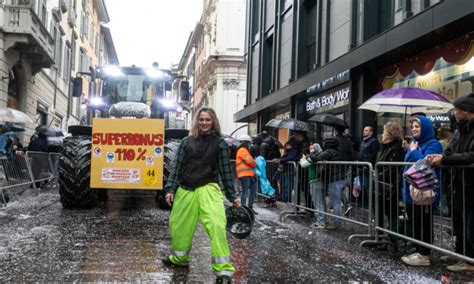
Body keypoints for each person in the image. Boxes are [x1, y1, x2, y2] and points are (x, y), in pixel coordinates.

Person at [162, 107, 240, 282]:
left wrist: (232, 195)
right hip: (185, 190)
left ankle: (223, 270)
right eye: (202, 119)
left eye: (208, 120)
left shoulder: (219, 143)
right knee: (179, 227)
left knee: (217, 225)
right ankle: (180, 258)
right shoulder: (185, 142)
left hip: (208, 189)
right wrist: (170, 189)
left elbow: (226, 171)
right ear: (197, 121)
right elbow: (176, 167)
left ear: (213, 122)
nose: (204, 123)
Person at [426, 92, 474, 272]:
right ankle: (464, 257)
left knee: (471, 229)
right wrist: (441, 156)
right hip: (459, 186)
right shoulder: (460, 129)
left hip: (470, 185)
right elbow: (450, 152)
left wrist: (445, 160)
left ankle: (469, 261)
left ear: (467, 111)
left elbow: (470, 155)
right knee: (461, 226)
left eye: (456, 109)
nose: (453, 113)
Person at [401, 115, 442, 267]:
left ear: (425, 128)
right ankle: (418, 250)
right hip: (412, 191)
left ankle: (424, 254)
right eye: (412, 127)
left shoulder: (434, 144)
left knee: (423, 223)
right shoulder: (414, 143)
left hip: (425, 191)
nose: (414, 129)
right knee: (415, 221)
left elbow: (425, 163)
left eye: (417, 127)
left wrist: (412, 151)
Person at [375, 122, 405, 237]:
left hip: (390, 187)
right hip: (382, 185)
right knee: (380, 211)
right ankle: (380, 235)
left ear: (390, 134)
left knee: (391, 212)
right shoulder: (386, 147)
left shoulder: (397, 148)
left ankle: (391, 238)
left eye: (384, 132)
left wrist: (379, 175)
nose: (382, 134)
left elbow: (391, 169)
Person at [309, 137, 344, 229]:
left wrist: (312, 151)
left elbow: (315, 158)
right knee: (336, 201)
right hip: (338, 178)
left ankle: (337, 224)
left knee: (335, 202)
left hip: (334, 178)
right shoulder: (337, 152)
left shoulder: (329, 152)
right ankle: (335, 222)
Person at [236, 134, 258, 215]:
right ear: (246, 142)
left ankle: (249, 208)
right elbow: (251, 162)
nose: (250, 145)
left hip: (249, 174)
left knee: (252, 191)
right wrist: (254, 162)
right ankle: (244, 209)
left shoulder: (245, 151)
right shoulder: (242, 150)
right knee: (245, 192)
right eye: (249, 143)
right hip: (245, 175)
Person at [358, 126, 380, 206]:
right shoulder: (363, 141)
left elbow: (373, 155)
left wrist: (367, 164)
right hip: (361, 167)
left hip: (367, 168)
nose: (364, 132)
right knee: (363, 187)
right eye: (364, 130)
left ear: (371, 132)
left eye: (366, 130)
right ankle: (367, 204)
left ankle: (371, 205)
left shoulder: (373, 141)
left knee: (368, 187)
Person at [305, 142, 325, 228]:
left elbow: (303, 164)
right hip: (318, 180)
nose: (310, 150)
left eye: (311, 149)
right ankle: (322, 220)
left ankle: (321, 222)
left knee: (318, 202)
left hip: (315, 180)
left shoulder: (315, 157)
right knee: (320, 202)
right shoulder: (319, 157)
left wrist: (310, 155)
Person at [273, 138, 298, 202]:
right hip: (285, 170)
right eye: (286, 145)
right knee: (283, 184)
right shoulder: (288, 151)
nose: (286, 146)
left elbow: (290, 158)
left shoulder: (293, 151)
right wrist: (278, 159)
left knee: (288, 184)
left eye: (288, 145)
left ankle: (287, 198)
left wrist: (279, 160)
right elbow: (284, 157)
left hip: (289, 170)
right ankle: (283, 197)